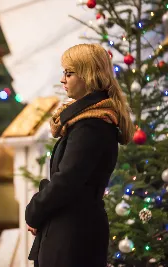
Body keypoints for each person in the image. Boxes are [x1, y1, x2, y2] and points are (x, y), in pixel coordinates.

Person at [25, 43, 135, 267]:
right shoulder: (85, 121)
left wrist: (34, 211)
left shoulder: (91, 125)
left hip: (73, 235)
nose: (63, 80)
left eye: (69, 73)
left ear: (89, 76)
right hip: (68, 229)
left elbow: (67, 181)